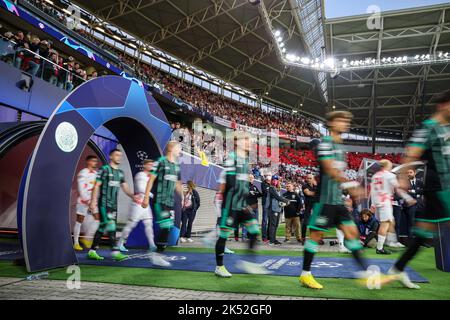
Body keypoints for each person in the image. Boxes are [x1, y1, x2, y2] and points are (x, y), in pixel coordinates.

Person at [299, 111, 376, 290]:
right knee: (315, 237)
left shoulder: (342, 148)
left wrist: (348, 194)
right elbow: (330, 170)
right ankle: (305, 274)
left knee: (352, 234)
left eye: (347, 121)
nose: (345, 124)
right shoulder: (325, 144)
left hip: (338, 201)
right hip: (324, 201)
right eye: (341, 120)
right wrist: (352, 186)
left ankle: (366, 273)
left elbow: (338, 174)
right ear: (331, 123)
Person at [389, 89, 450, 289]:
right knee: (423, 233)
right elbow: (412, 153)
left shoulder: (446, 128)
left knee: (422, 234)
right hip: (438, 189)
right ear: (443, 105)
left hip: (443, 189)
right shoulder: (429, 127)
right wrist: (403, 177)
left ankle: (398, 268)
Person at [214, 134, 270, 277]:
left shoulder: (245, 161)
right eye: (244, 140)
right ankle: (219, 267)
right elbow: (231, 183)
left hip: (241, 205)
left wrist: (245, 203)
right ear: (236, 142)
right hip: (231, 205)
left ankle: (249, 263)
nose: (248, 143)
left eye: (248, 141)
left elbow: (243, 186)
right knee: (224, 236)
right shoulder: (232, 159)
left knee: (254, 230)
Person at [87, 149, 136, 261]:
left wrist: (133, 196)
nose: (119, 157)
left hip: (114, 205)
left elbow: (125, 187)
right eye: (116, 155)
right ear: (110, 156)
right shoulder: (104, 169)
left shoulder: (120, 173)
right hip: (104, 204)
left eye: (120, 155)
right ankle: (115, 251)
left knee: (103, 226)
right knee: (111, 226)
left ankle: (92, 251)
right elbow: (96, 186)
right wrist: (93, 201)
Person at [142, 141, 183, 267]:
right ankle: (157, 255)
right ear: (171, 148)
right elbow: (151, 179)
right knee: (166, 226)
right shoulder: (160, 162)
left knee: (168, 227)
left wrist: (182, 199)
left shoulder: (176, 166)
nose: (180, 151)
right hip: (160, 200)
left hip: (170, 202)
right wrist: (146, 197)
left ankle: (157, 253)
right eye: (179, 148)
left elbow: (177, 183)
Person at [117, 160, 160, 262]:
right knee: (130, 225)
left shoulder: (149, 176)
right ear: (144, 165)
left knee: (149, 224)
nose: (151, 166)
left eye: (152, 164)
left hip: (145, 204)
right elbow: (141, 188)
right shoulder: (140, 175)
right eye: (149, 164)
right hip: (138, 204)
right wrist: (150, 195)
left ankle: (152, 245)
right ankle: (120, 242)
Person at [370, 159, 415, 254]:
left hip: (378, 202)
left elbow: (372, 191)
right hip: (385, 201)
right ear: (388, 166)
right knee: (385, 224)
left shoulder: (375, 176)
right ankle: (380, 248)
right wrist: (408, 198)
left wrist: (373, 204)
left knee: (391, 222)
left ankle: (391, 241)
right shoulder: (390, 175)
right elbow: (398, 189)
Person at [73, 155, 99, 251]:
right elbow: (81, 188)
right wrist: (87, 200)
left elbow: (97, 188)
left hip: (93, 201)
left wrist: (94, 200)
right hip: (83, 201)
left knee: (98, 219)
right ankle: (76, 243)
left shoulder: (96, 173)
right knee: (79, 220)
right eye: (93, 161)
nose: (95, 163)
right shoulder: (83, 173)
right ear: (88, 162)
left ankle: (87, 239)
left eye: (96, 161)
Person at [267, 175, 289, 245]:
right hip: (273, 209)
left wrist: (284, 201)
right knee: (273, 224)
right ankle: (271, 240)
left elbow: (279, 197)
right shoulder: (271, 188)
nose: (275, 181)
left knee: (275, 225)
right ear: (271, 180)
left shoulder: (277, 188)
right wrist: (286, 201)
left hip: (277, 208)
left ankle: (273, 239)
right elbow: (277, 197)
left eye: (276, 180)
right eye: (273, 179)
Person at [301, 174, 319, 244]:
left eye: (310, 178)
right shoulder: (304, 186)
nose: (308, 179)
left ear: (313, 179)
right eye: (307, 178)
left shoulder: (316, 186)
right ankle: (303, 238)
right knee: (305, 223)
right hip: (308, 206)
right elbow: (308, 193)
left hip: (315, 206)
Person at [260, 173, 272, 243]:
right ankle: (264, 237)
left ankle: (269, 236)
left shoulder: (271, 184)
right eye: (267, 175)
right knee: (264, 220)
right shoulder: (263, 183)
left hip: (271, 204)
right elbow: (266, 191)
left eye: (269, 175)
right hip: (265, 204)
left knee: (270, 220)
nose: (268, 177)